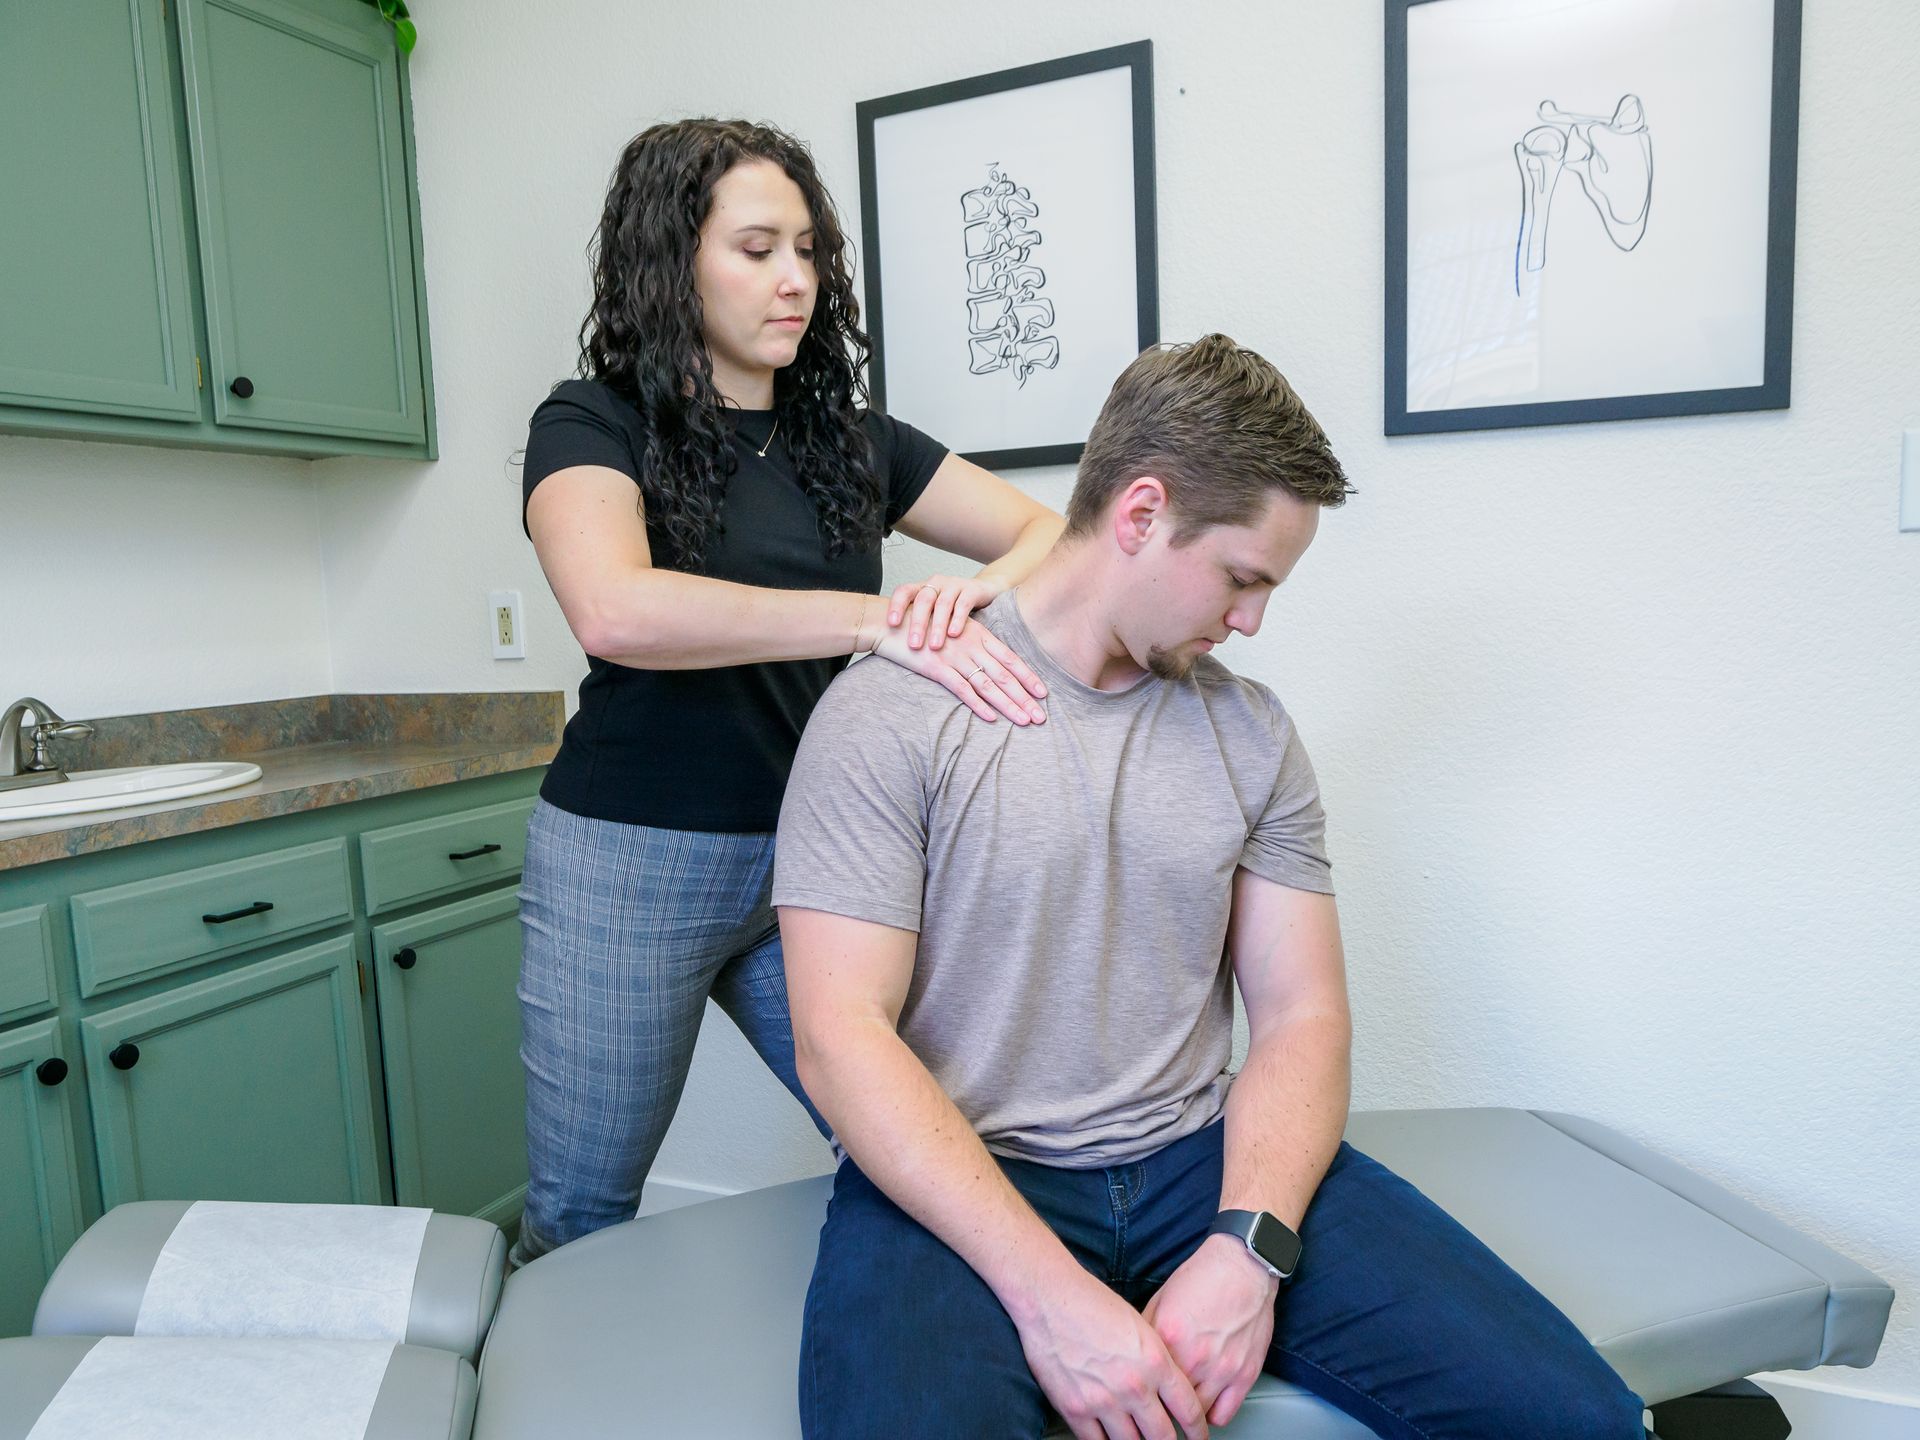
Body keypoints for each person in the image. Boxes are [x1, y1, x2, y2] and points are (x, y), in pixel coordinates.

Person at [774, 336, 1648, 1439]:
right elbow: (840, 1037)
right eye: (1242, 578)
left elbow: (1301, 1015)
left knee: (1583, 1421)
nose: (1251, 622)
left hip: (1199, 1161)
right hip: (968, 1176)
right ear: (1141, 515)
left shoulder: (1250, 732)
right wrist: (1052, 1303)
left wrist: (1250, 1249)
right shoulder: (892, 712)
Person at [513, 117, 1064, 1267]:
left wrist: (945, 609)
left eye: (808, 250)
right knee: (580, 1213)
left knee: (918, 1150)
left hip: (822, 857)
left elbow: (1048, 536)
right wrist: (876, 622)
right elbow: (615, 608)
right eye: (758, 248)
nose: (796, 280)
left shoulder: (849, 442)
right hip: (629, 857)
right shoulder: (592, 422)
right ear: (672, 263)